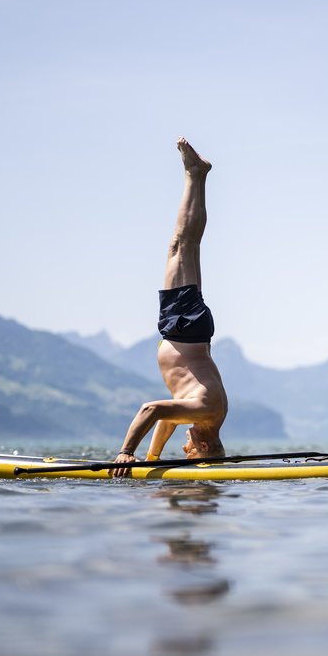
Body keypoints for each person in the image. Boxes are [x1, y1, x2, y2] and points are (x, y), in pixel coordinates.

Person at [112, 138, 228, 475]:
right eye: (189, 451)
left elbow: (164, 419)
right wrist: (125, 453)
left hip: (190, 329)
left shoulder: (203, 415)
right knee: (180, 246)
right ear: (204, 446)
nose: (184, 447)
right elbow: (151, 409)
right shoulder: (204, 409)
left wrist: (150, 460)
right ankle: (196, 175)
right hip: (185, 329)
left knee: (188, 246)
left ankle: (198, 175)